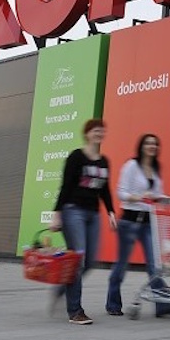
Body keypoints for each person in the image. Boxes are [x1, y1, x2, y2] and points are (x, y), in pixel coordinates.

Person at [50, 118, 117, 325]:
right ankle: (75, 311)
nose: (99, 134)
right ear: (87, 134)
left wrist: (111, 212)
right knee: (78, 259)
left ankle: (63, 286)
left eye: (102, 131)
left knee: (90, 261)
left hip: (93, 213)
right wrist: (57, 213)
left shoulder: (104, 161)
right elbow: (66, 186)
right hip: (73, 211)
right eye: (95, 130)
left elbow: (105, 190)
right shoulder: (76, 156)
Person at [105, 133, 166, 317]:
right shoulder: (132, 165)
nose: (152, 146)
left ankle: (163, 305)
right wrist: (139, 197)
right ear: (141, 146)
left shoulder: (155, 169)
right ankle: (113, 303)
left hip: (148, 221)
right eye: (148, 143)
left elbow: (156, 195)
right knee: (122, 264)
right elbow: (121, 193)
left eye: (155, 144)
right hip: (130, 221)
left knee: (154, 265)